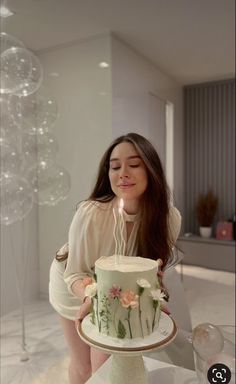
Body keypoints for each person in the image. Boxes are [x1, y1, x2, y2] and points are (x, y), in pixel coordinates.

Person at [49, 132, 184, 384]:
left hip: (117, 292)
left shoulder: (169, 219)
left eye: (134, 164)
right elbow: (75, 273)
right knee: (82, 364)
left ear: (151, 170)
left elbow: (152, 269)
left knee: (108, 365)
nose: (122, 173)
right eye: (114, 166)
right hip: (72, 282)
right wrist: (94, 298)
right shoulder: (91, 213)